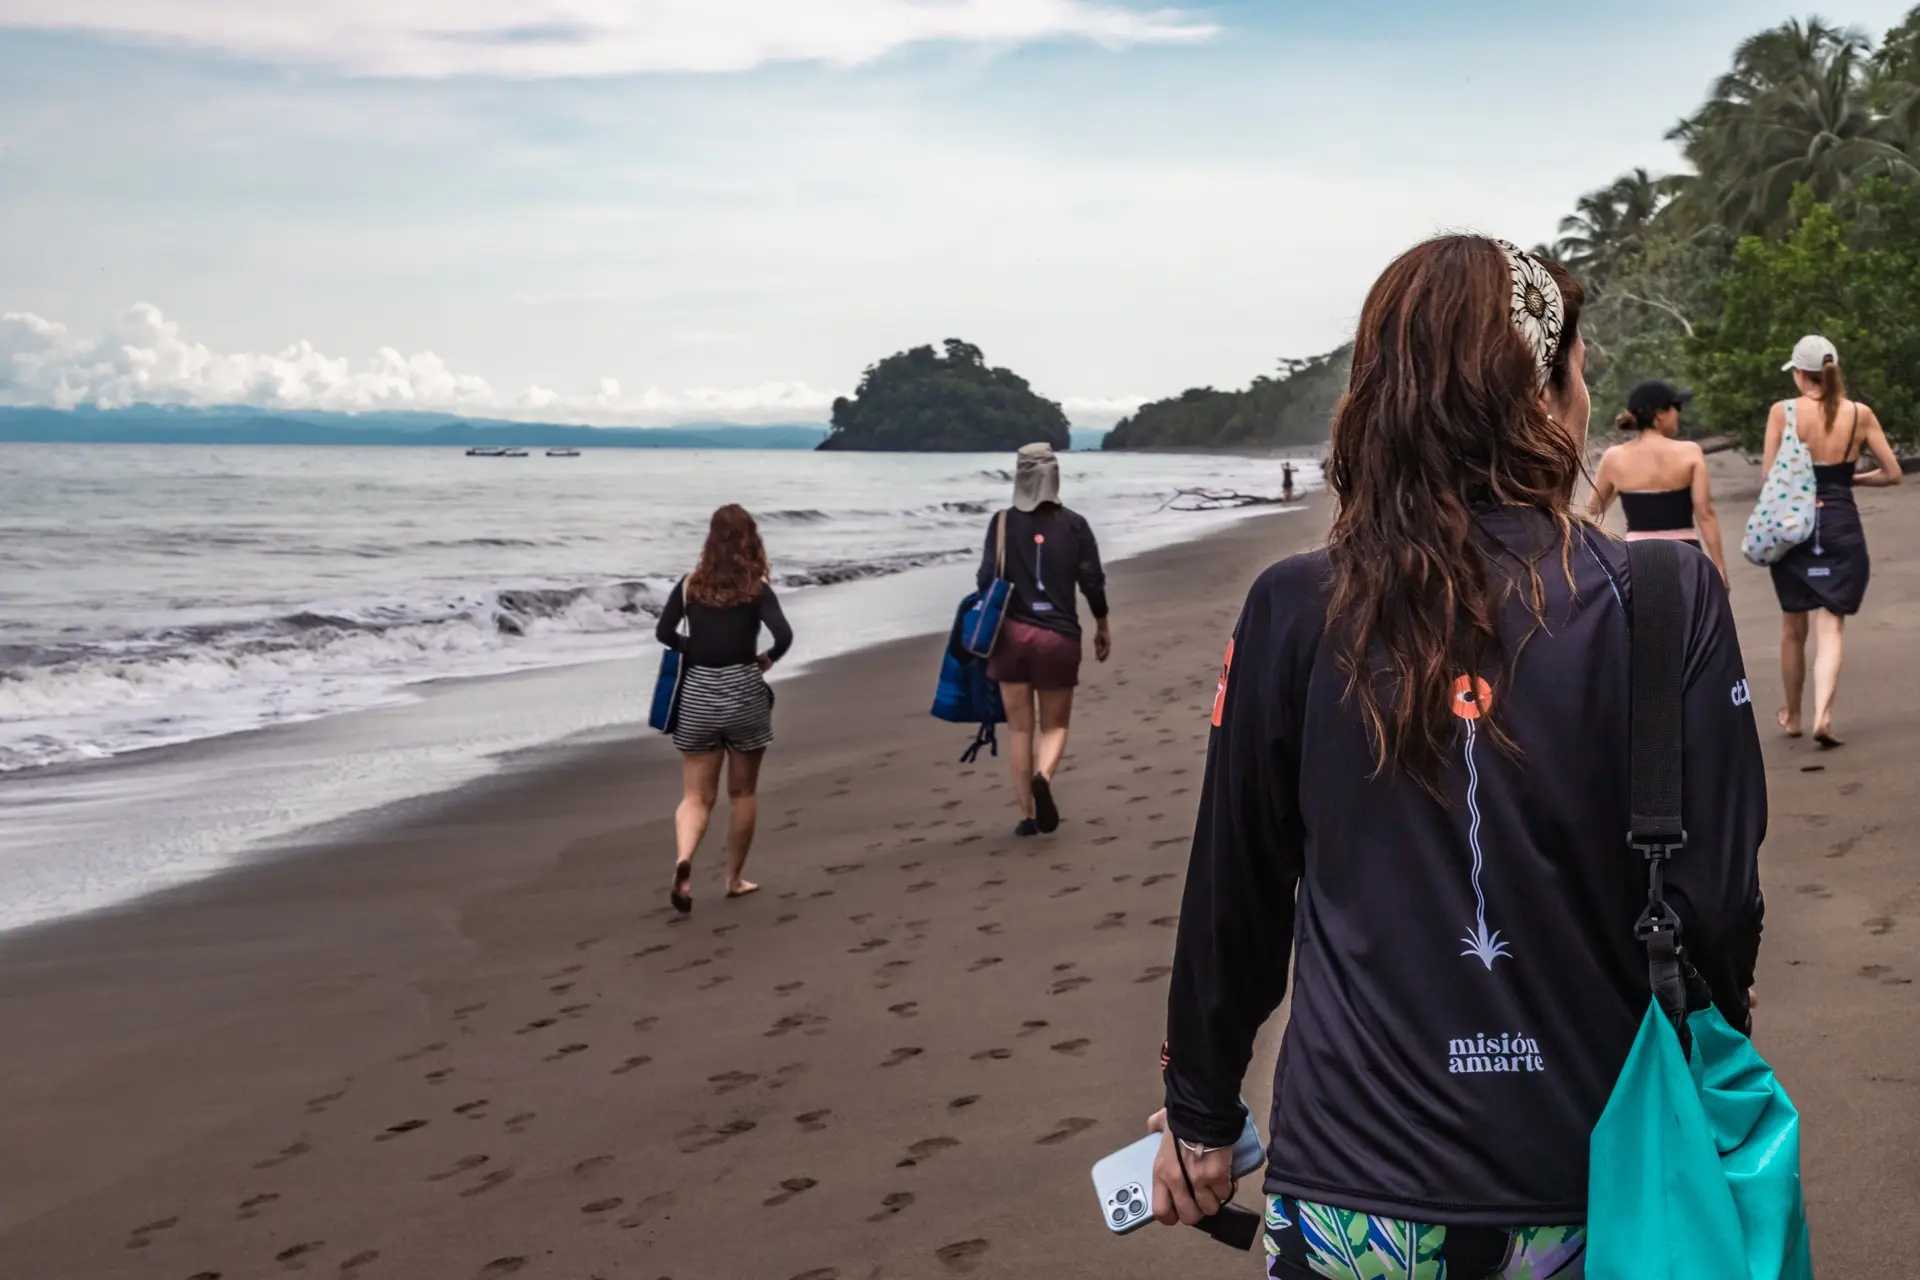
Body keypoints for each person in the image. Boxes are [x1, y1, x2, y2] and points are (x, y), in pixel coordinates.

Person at [1148, 236, 1765, 1276]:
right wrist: (1712, 1062)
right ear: (1550, 389)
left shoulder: (1296, 607)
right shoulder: (1666, 599)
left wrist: (1199, 1111)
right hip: (1597, 1173)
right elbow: (1718, 896)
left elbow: (1237, 896)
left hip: (1353, 1189)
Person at [1764, 335, 1902, 748]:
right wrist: (1852, 479)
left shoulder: (1782, 413)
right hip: (1841, 521)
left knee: (1793, 626)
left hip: (1794, 524)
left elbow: (1771, 475)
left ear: (1800, 375)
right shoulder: (1859, 413)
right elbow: (1892, 472)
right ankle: (1824, 714)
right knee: (1832, 626)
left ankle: (1793, 716)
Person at [656, 504, 793, 912]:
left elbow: (664, 633)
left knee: (696, 795)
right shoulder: (756, 588)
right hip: (744, 690)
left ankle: (684, 861)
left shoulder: (689, 586)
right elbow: (784, 635)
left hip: (698, 692)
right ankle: (733, 879)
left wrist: (692, 647)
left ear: (710, 540)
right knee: (743, 792)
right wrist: (766, 658)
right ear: (751, 540)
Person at [977, 442, 1111, 836]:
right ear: (1055, 477)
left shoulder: (1001, 522)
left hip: (1011, 638)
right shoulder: (1074, 524)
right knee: (1054, 726)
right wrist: (1102, 624)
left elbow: (986, 580)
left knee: (1020, 728)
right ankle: (1045, 777)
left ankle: (1027, 816)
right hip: (1059, 638)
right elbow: (1092, 582)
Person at [1588, 379, 1729, 585]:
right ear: (1660, 413)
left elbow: (1594, 508)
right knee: (1689, 615)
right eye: (1676, 407)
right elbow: (1705, 513)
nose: (1678, 413)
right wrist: (1719, 567)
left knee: (1651, 616)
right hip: (1685, 552)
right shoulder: (1689, 451)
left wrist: (1619, 488)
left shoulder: (1614, 457)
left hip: (1639, 558)